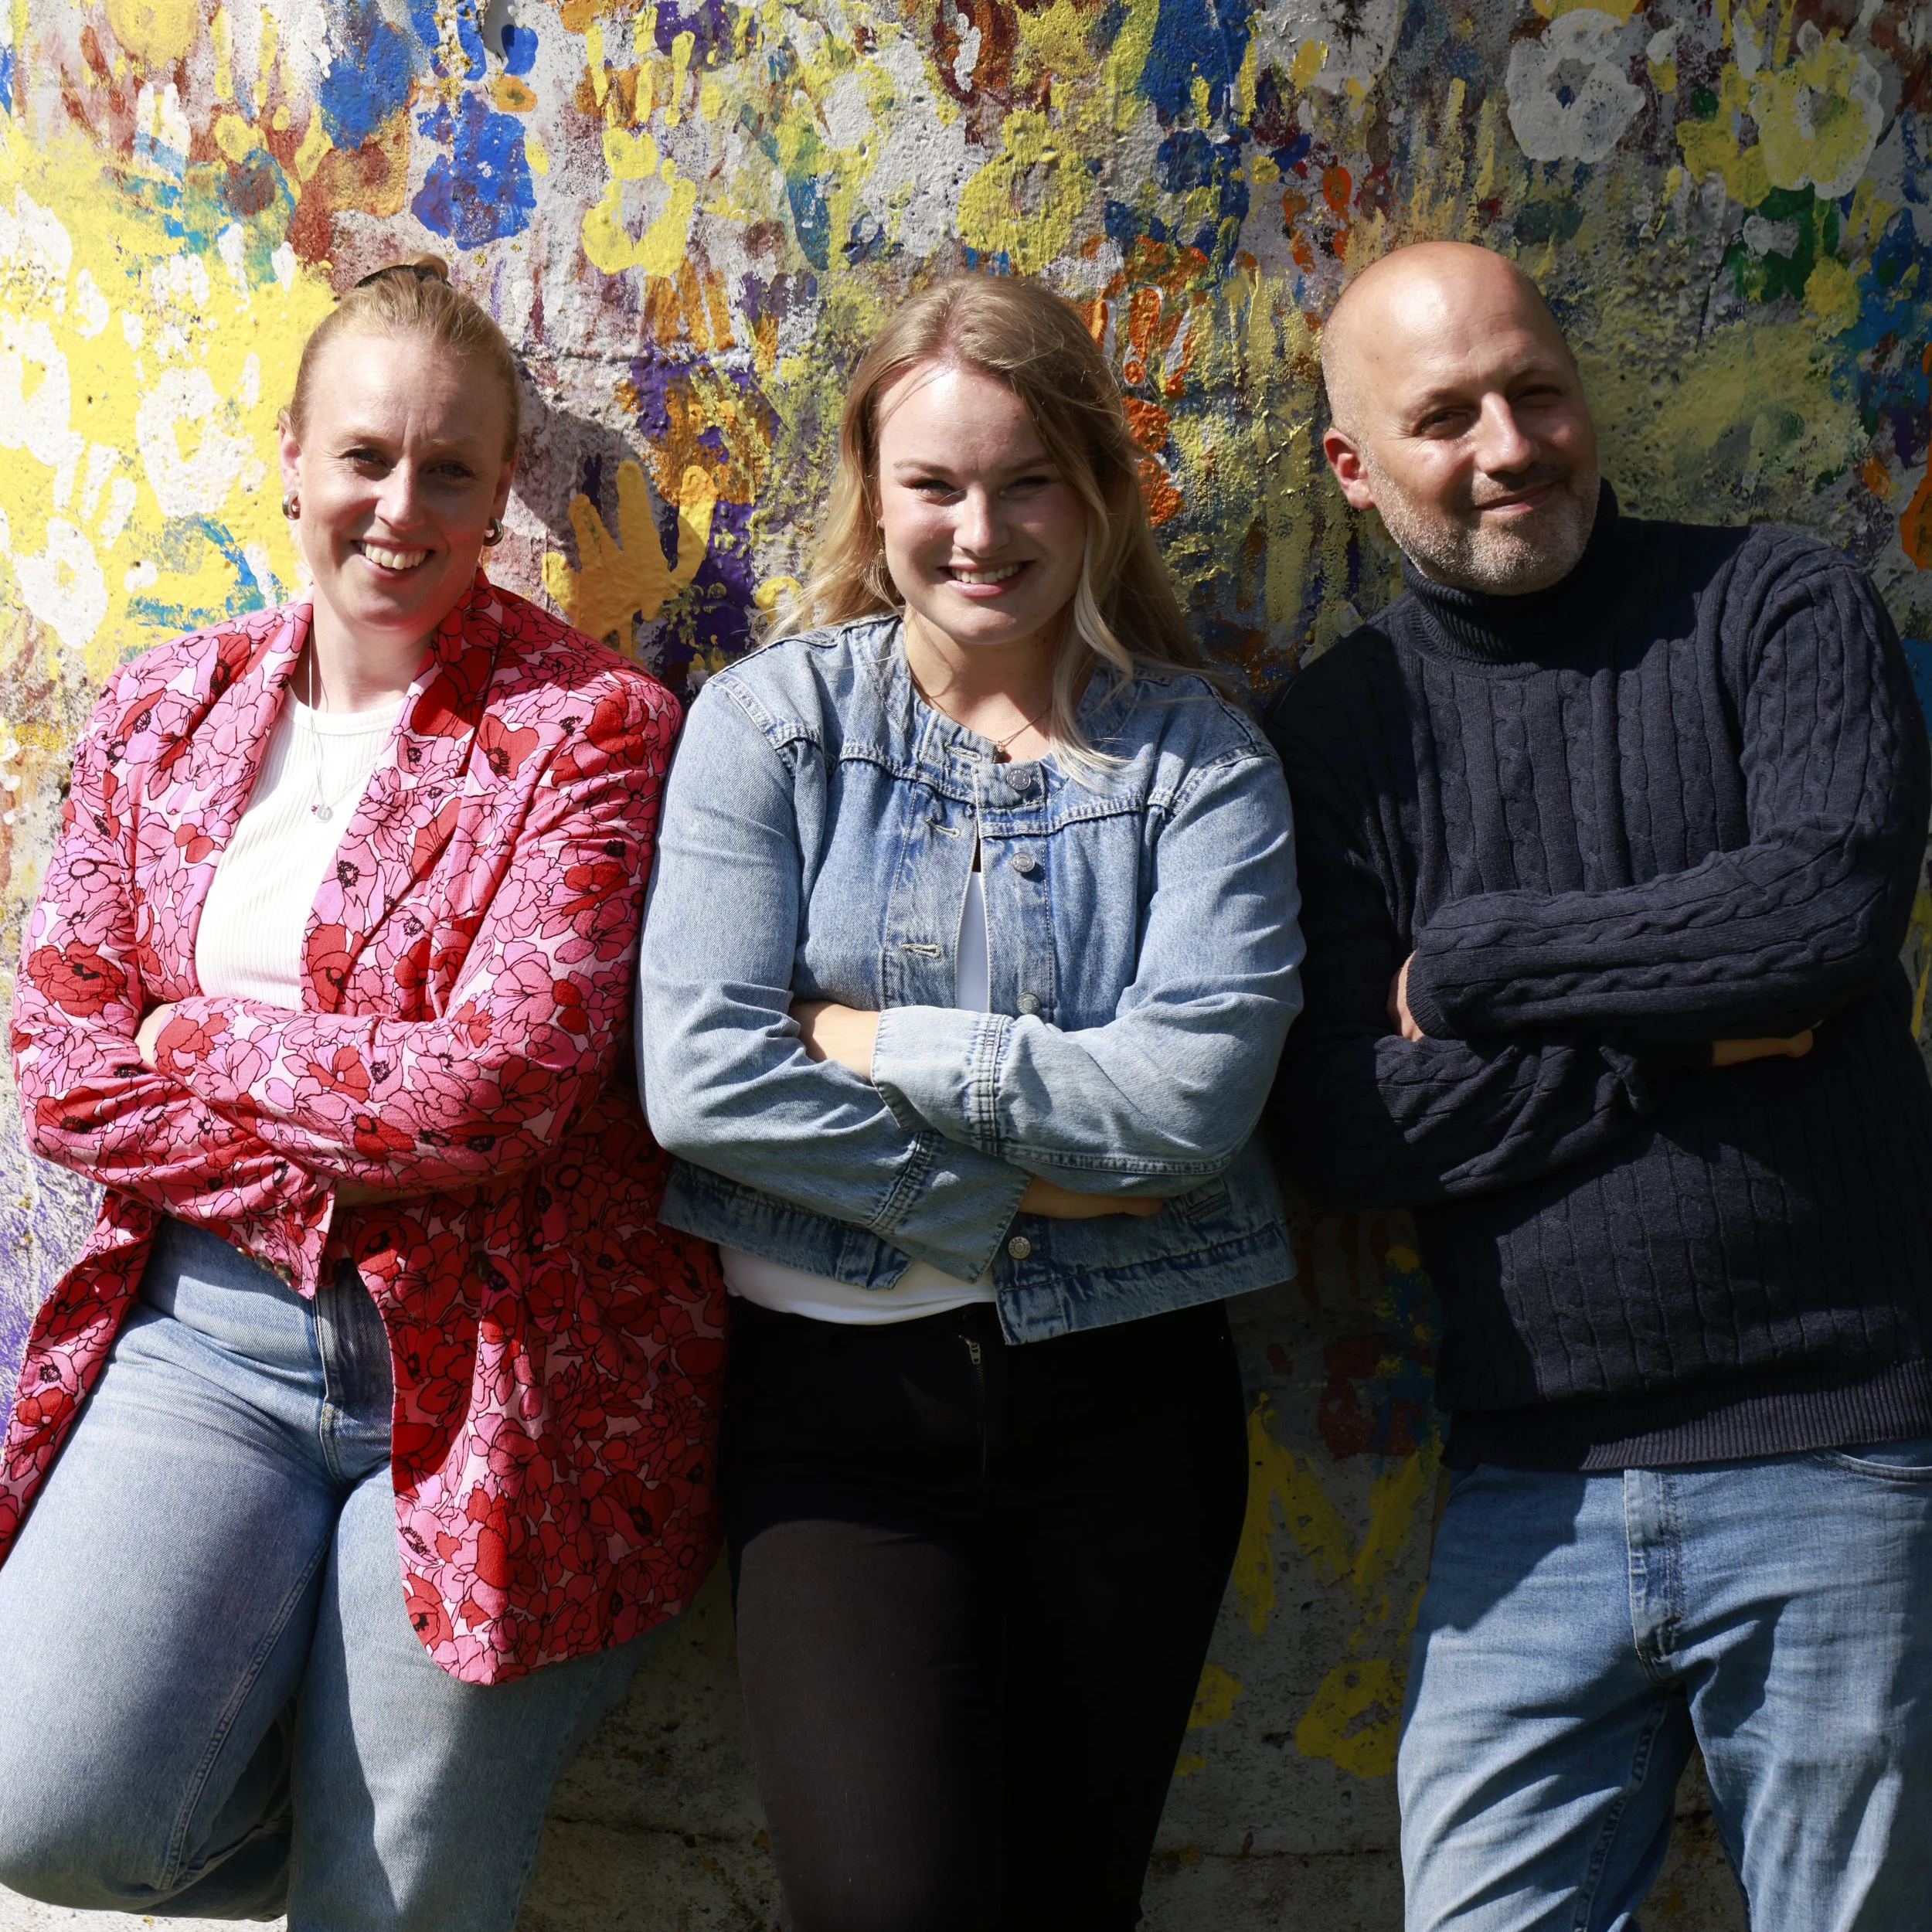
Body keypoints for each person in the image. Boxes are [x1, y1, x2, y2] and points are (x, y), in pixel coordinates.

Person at [0, 258, 726, 1930]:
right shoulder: (163, 708)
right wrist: (319, 1144)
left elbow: (496, 1092)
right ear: (291, 458)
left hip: (500, 1370)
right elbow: (58, 1058)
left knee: (393, 1904)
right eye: (365, 457)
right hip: (208, 1338)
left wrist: (197, 1040)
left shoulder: (590, 732)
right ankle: (323, 1779)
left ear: (498, 491)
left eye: (450, 469)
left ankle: (378, 1818)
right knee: (42, 1807)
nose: (401, 509)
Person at [1267, 239, 1932, 1930]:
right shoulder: (1332, 739)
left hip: (1836, 1454)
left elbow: (1816, 920)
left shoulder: (1776, 607)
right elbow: (1336, 1120)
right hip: (1522, 1493)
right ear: (1352, 467)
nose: (1507, 443)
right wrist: (1689, 1028)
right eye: (1442, 415)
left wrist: (1476, 971)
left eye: (1532, 388)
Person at [636, 272, 1302, 1932]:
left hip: (1128, 1402)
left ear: (1092, 488)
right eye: (933, 483)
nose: (979, 528)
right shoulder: (769, 727)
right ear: (875, 492)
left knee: (1071, 1900)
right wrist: (1011, 1200)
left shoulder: (1199, 764)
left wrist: (863, 1042)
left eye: (1023, 480)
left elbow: (1180, 1121)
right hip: (836, 1415)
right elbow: (702, 1076)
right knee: (884, 1904)